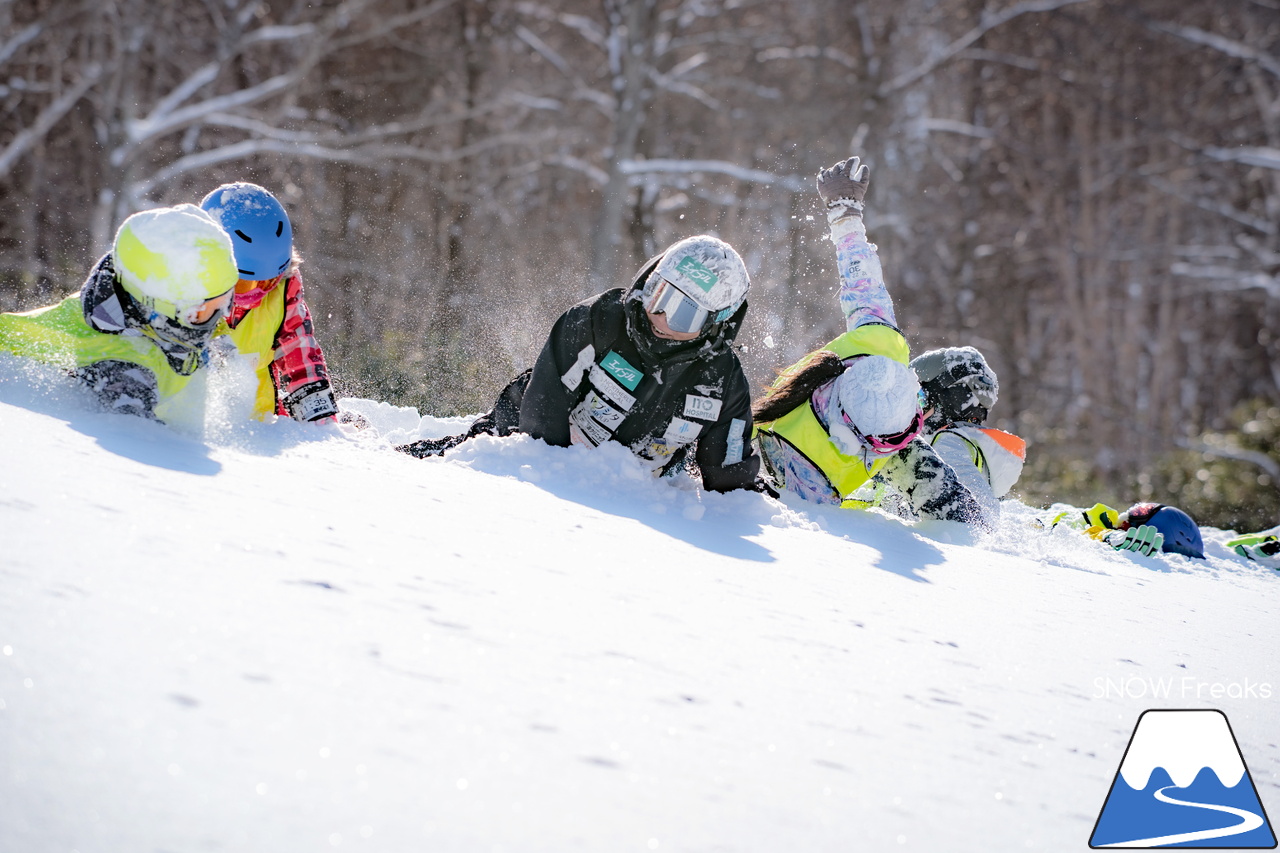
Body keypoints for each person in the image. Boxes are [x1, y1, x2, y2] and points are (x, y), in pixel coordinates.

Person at [398, 235, 761, 493]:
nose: (660, 315)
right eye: (659, 294)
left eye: (684, 314)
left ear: (716, 323)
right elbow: (540, 416)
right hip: (524, 445)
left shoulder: (721, 381)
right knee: (436, 470)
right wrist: (568, 488)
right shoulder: (597, 321)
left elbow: (728, 477)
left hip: (633, 492)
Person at [750, 156, 985, 524]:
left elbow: (861, 278)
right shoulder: (806, 469)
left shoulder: (879, 342)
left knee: (926, 472)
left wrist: (844, 211)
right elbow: (808, 528)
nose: (907, 438)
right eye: (890, 442)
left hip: (867, 424)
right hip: (809, 467)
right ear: (852, 436)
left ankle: (969, 527)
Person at [0, 204, 237, 422]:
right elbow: (134, 441)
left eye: (226, 300)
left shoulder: (130, 309)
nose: (219, 318)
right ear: (157, 308)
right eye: (203, 312)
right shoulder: (124, 369)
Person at [199, 182, 337, 422]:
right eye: (245, 284)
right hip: (199, 421)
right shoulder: (186, 292)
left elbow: (300, 353)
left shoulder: (283, 290)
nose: (258, 294)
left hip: (264, 424)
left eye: (268, 281)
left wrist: (322, 424)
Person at [1050, 502, 1205, 559]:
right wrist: (1106, 535)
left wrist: (1106, 537)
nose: (1123, 521)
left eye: (1129, 526)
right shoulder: (1103, 517)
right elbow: (1065, 525)